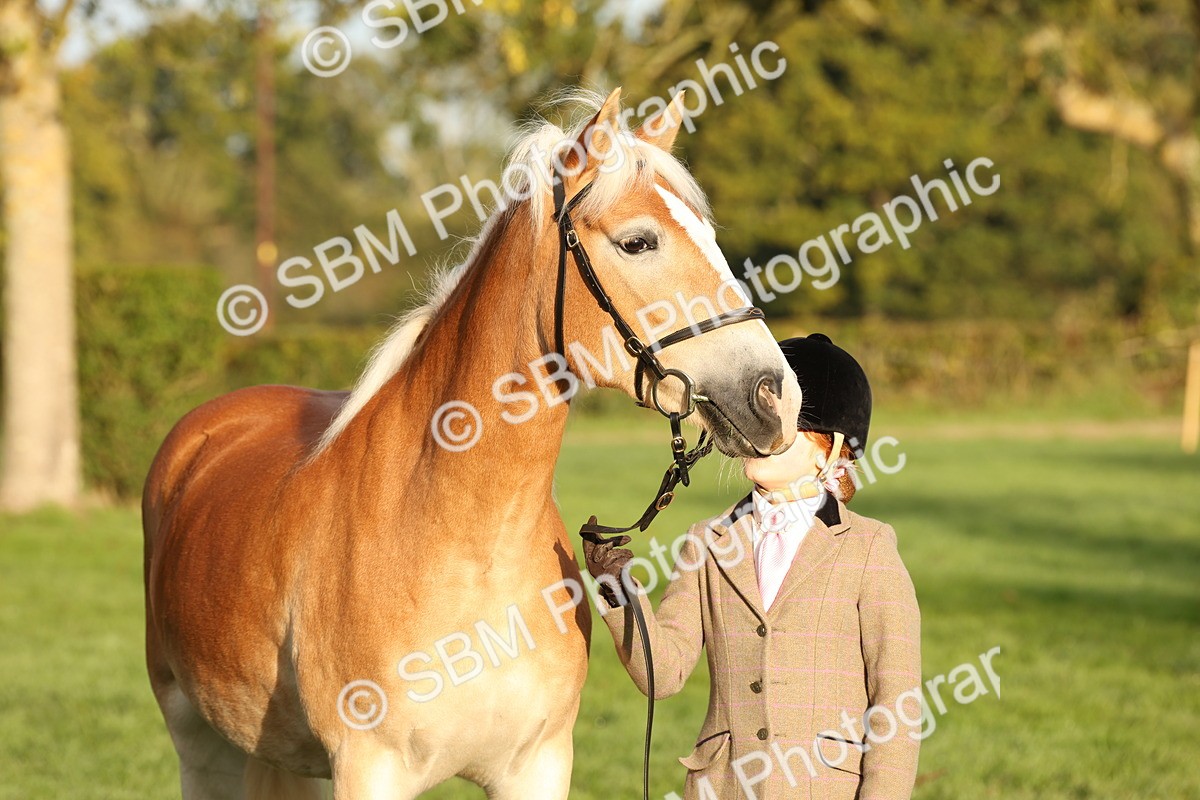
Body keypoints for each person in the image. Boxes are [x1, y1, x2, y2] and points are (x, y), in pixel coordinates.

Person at [585, 333, 921, 800]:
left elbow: (896, 701)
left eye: (780, 426)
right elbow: (663, 675)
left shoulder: (869, 548)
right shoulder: (706, 541)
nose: (756, 438)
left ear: (832, 447)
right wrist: (619, 591)